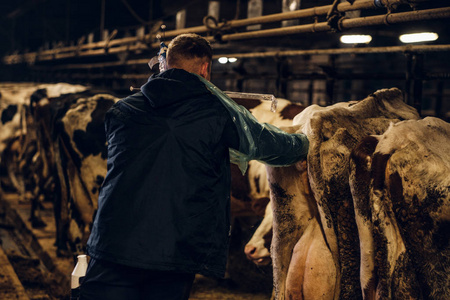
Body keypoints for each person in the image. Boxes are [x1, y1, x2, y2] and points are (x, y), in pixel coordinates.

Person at [80, 33, 309, 300]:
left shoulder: (121, 111)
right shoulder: (217, 113)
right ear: (205, 69)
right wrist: (307, 141)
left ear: (164, 65)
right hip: (174, 250)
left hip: (112, 241)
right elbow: (267, 145)